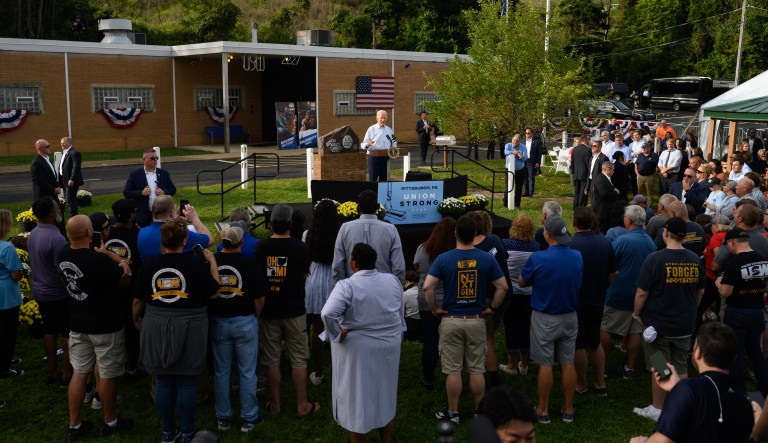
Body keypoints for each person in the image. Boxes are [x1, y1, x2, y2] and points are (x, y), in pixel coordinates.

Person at [132, 219, 220, 443]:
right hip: (190, 325)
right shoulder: (194, 263)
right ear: (184, 240)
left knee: (163, 380)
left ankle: (168, 433)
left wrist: (136, 320)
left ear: (163, 241)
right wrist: (212, 264)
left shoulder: (150, 263)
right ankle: (188, 433)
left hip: (156, 323)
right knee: (186, 381)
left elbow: (137, 300)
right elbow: (213, 293)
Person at [424, 214, 508, 424]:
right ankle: (480, 410)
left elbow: (428, 286)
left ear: (456, 234)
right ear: (476, 235)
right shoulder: (486, 258)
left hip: (451, 318)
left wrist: (435, 308)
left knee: (453, 369)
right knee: (476, 368)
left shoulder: (444, 258)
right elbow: (503, 286)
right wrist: (492, 307)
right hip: (476, 319)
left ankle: (453, 412)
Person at [58, 215, 134, 440]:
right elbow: (123, 277)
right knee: (108, 374)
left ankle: (75, 425)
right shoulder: (97, 261)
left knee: (80, 372)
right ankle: (110, 422)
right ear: (90, 233)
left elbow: (62, 275)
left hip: (78, 322)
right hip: (105, 325)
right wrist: (120, 264)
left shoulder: (63, 253)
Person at [321, 243, 404, 443]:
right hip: (388, 345)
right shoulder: (392, 281)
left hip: (357, 350)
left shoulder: (347, 285)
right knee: (385, 392)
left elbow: (327, 313)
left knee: (357, 398)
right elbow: (400, 313)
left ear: (353, 262)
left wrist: (336, 334)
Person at [629, 323, 754, 443]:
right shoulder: (745, 403)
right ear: (734, 359)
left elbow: (662, 440)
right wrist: (678, 388)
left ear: (698, 353)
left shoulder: (688, 390)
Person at [632, 217, 705, 422]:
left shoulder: (655, 259)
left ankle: (658, 408)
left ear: (665, 233)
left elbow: (642, 293)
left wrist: (637, 314)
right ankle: (683, 406)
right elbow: (700, 290)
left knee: (660, 365)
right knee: (681, 366)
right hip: (684, 324)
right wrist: (692, 308)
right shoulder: (694, 259)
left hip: (658, 326)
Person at [254, 204, 318, 417]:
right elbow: (306, 272)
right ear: (290, 222)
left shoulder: (261, 247)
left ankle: (275, 404)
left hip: (269, 311)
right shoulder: (299, 248)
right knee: (299, 358)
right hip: (295, 310)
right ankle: (302, 405)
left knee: (272, 359)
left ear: (271, 223)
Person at [519, 217, 583, 424]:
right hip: (570, 316)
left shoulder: (538, 258)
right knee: (567, 362)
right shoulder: (577, 256)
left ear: (547, 235)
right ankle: (568, 409)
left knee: (545, 364)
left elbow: (522, 281)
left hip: (545, 317)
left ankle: (543, 410)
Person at [211, 225, 265, 433]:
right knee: (247, 371)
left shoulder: (212, 262)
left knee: (222, 371)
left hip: (219, 322)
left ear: (221, 241)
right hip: (245, 321)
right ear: (241, 242)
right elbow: (260, 298)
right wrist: (255, 316)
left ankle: (223, 417)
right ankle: (249, 417)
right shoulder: (250, 264)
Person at [601, 205, 655, 380]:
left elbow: (609, 265)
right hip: (640, 294)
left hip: (618, 292)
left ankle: (601, 366)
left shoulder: (622, 241)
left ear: (628, 220)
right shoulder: (650, 242)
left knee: (607, 328)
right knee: (634, 332)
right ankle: (629, 367)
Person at [715, 227, 768, 397]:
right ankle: (765, 388)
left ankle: (739, 392)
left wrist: (718, 283)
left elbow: (725, 292)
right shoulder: (762, 260)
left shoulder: (734, 263)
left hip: (737, 312)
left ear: (731, 243)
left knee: (736, 352)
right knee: (756, 352)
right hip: (757, 311)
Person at [570, 208, 616, 396]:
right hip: (597, 298)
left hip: (577, 299)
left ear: (574, 224)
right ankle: (600, 382)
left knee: (579, 344)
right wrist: (603, 286)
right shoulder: (605, 242)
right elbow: (613, 273)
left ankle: (581, 384)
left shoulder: (571, 244)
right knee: (595, 341)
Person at [27, 196, 72, 386]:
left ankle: (52, 371)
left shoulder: (34, 233)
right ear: (51, 213)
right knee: (67, 333)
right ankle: (66, 373)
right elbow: (61, 271)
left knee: (49, 330)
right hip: (57, 293)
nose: (59, 211)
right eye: (56, 208)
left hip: (40, 291)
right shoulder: (57, 238)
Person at [413, 217, 457, 389]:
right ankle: (452, 376)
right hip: (450, 299)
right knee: (452, 341)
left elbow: (417, 267)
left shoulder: (422, 249)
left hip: (426, 299)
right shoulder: (456, 252)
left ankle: (428, 378)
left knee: (430, 340)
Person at [104, 198, 143, 380]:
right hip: (131, 288)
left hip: (110, 288)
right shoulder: (137, 235)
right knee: (132, 332)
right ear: (132, 216)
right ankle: (132, 368)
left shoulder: (107, 233)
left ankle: (113, 365)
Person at [303, 199, 340, 385]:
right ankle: (339, 371)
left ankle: (317, 372)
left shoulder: (307, 234)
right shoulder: (340, 235)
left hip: (314, 280)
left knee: (317, 329)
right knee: (336, 329)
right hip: (334, 281)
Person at [332, 190, 405, 282]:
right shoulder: (390, 229)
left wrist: (344, 286)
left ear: (358, 208)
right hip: (382, 288)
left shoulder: (345, 228)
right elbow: (399, 267)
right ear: (378, 207)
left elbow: (337, 266)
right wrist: (392, 287)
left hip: (353, 288)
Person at [501, 214, 539, 377]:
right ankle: (524, 363)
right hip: (529, 294)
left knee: (511, 327)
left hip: (510, 293)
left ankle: (511, 364)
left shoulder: (505, 245)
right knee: (525, 327)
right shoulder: (536, 247)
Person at [137, 196, 213, 261]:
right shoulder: (178, 233)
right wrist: (195, 219)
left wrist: (174, 221)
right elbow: (210, 240)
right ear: (170, 214)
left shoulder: (142, 233)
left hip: (150, 275)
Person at [123, 148, 177, 227]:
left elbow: (173, 189)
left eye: (156, 158)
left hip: (161, 214)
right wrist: (141, 193)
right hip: (143, 214)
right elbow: (126, 192)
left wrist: (164, 192)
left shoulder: (163, 173)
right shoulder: (135, 174)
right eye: (152, 158)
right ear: (144, 159)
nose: (155, 160)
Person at [0, 209, 23, 380]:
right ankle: (4, 367)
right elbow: (16, 274)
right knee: (8, 333)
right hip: (7, 294)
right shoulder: (7, 248)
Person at [361, 110, 396, 182]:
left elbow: (394, 142)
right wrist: (367, 144)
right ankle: (373, 193)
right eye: (381, 118)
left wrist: (394, 150)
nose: (383, 120)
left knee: (383, 181)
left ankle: (382, 193)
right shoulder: (371, 129)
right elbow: (363, 144)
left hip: (385, 158)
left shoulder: (389, 130)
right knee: (373, 181)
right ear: (377, 119)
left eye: (385, 118)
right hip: (374, 158)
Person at [58, 137, 84, 218]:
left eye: (64, 143)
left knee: (70, 200)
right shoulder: (65, 153)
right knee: (68, 199)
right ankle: (73, 217)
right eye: (61, 143)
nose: (62, 144)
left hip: (71, 181)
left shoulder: (74, 153)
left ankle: (73, 218)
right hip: (64, 180)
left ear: (69, 143)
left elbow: (76, 167)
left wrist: (72, 178)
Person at [592, 161, 619, 233]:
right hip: (602, 210)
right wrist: (615, 193)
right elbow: (603, 194)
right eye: (613, 169)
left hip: (606, 209)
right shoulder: (601, 179)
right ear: (608, 169)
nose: (613, 171)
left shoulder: (606, 178)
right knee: (601, 230)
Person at [504, 134, 528, 207]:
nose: (515, 142)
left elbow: (525, 158)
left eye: (517, 141)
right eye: (514, 140)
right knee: (508, 186)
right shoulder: (508, 145)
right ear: (512, 140)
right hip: (509, 169)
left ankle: (517, 204)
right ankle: (506, 204)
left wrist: (521, 156)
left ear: (519, 141)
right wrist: (515, 152)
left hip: (520, 170)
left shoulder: (523, 147)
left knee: (519, 187)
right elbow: (506, 152)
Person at [636, 142, 659, 206]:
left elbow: (659, 165)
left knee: (649, 192)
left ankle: (649, 204)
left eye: (645, 148)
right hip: (640, 176)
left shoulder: (654, 155)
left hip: (649, 176)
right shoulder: (640, 155)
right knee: (640, 191)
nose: (643, 149)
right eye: (643, 148)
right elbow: (636, 164)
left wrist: (654, 174)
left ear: (649, 148)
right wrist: (637, 173)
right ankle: (640, 203)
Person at [570, 137, 591, 208]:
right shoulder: (588, 150)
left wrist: (573, 172)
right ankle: (581, 206)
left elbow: (572, 162)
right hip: (584, 174)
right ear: (586, 141)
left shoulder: (575, 149)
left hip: (576, 173)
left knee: (577, 191)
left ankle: (575, 205)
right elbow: (589, 163)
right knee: (583, 191)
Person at [522, 128, 543, 197]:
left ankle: (531, 193)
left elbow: (539, 153)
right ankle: (526, 192)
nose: (527, 135)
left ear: (531, 133)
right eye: (526, 133)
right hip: (524, 161)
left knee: (531, 177)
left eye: (528, 133)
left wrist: (538, 162)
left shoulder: (537, 141)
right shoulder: (522, 141)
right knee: (524, 177)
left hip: (531, 161)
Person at [403, 270, 421, 341]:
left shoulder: (405, 294)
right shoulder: (423, 292)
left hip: (410, 324)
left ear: (407, 281)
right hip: (423, 323)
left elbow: (402, 311)